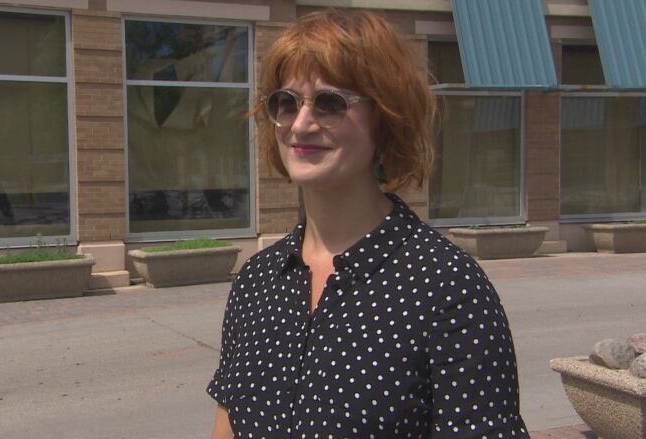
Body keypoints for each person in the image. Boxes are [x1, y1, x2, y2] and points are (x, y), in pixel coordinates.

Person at [208, 9, 529, 439]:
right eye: (286, 103)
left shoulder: (448, 288)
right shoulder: (255, 282)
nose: (301, 124)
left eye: (329, 103)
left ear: (385, 117)